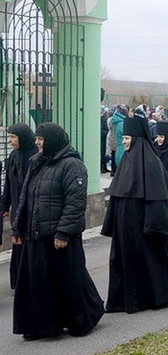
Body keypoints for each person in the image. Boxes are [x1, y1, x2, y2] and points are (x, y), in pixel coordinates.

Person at [12, 123, 104, 339]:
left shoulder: (72, 165)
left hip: (59, 237)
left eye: (41, 139)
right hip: (36, 234)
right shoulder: (37, 163)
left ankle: (84, 318)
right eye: (36, 139)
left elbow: (75, 202)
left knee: (70, 281)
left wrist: (63, 232)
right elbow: (26, 197)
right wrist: (18, 227)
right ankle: (44, 326)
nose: (37, 143)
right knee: (40, 284)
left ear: (52, 139)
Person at [102, 117, 168, 313]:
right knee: (122, 261)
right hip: (124, 227)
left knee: (148, 260)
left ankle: (151, 298)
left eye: (128, 138)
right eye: (124, 138)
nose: (125, 142)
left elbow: (157, 200)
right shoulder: (125, 161)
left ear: (138, 138)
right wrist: (112, 223)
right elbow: (116, 196)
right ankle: (123, 300)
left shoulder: (153, 163)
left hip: (144, 227)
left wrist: (153, 225)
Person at [2, 123, 38, 289]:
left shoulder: (35, 156)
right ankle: (19, 280)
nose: (10, 141)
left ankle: (30, 281)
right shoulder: (13, 156)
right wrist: (4, 206)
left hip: (31, 209)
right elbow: (8, 184)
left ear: (22, 137)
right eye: (9, 137)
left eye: (13, 137)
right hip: (17, 207)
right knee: (18, 242)